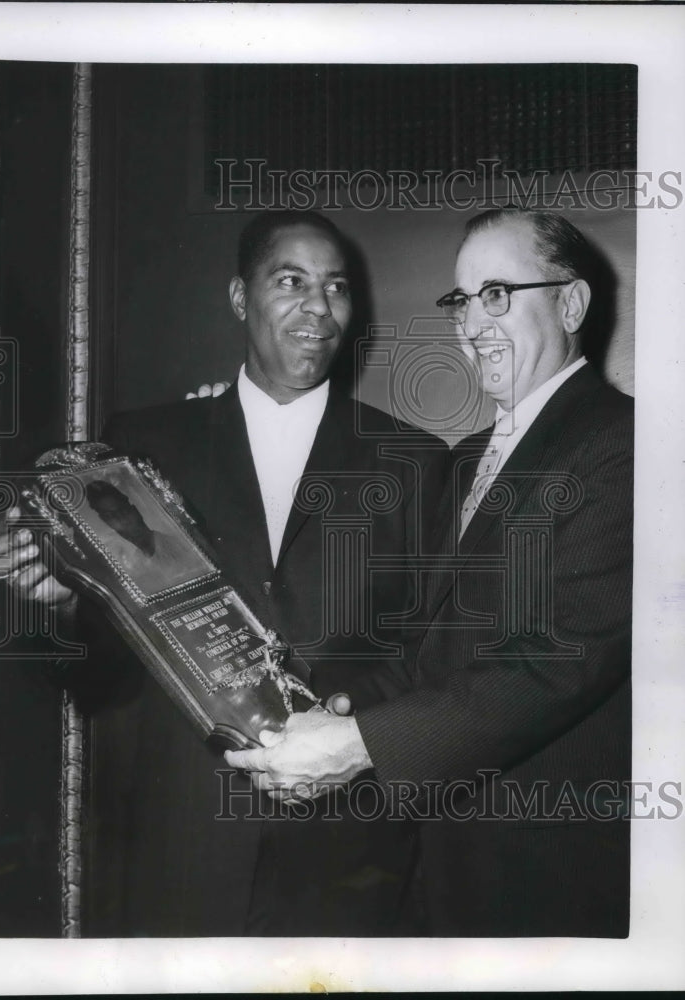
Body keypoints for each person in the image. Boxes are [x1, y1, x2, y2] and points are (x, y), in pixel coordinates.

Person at [0, 209, 451, 936]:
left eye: (336, 287)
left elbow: (434, 653)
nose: (317, 308)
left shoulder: (416, 460)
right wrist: (55, 606)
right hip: (178, 842)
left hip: (345, 845)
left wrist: (350, 729)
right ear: (241, 298)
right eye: (290, 281)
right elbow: (98, 671)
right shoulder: (140, 446)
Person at [226, 208, 633, 938]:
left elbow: (559, 661)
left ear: (570, 303)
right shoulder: (467, 456)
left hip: (556, 876)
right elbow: (425, 648)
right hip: (443, 868)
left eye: (499, 294)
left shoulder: (627, 445)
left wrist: (358, 746)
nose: (473, 323)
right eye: (462, 300)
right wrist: (328, 716)